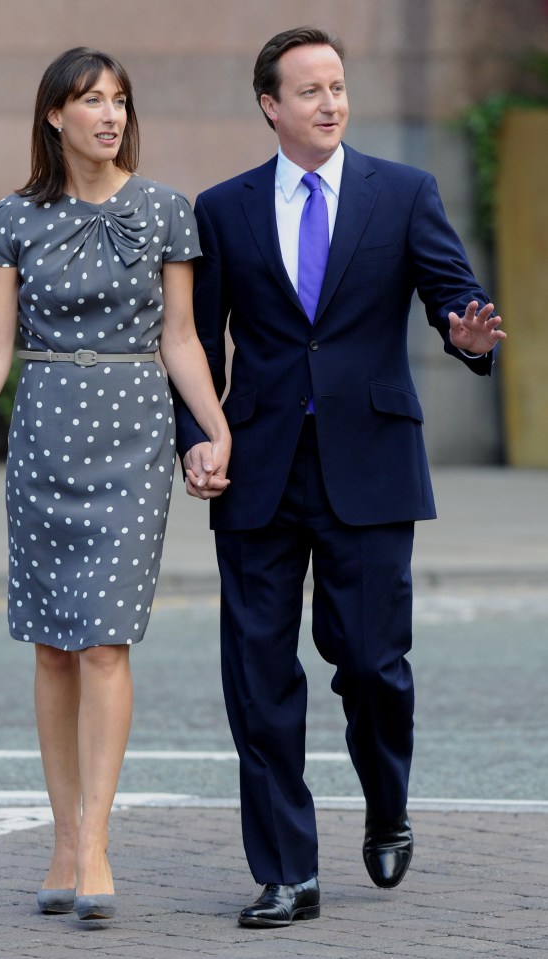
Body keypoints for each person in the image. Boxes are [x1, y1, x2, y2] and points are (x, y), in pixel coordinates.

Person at [173, 26, 505, 928]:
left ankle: (387, 801)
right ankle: (287, 870)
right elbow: (198, 341)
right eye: (310, 90)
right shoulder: (223, 208)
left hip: (370, 462)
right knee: (258, 674)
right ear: (270, 106)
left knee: (370, 662)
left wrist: (464, 334)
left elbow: (451, 294)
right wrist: (197, 439)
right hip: (257, 467)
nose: (330, 102)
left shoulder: (402, 193)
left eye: (339, 87)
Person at [0, 47, 230, 922]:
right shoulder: (12, 219)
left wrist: (214, 425)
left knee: (104, 641)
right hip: (45, 437)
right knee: (53, 645)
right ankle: (63, 836)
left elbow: (181, 337)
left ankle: (95, 840)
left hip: (133, 435)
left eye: (119, 99)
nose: (109, 114)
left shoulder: (166, 210)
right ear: (54, 115)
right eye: (90, 100)